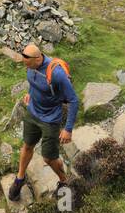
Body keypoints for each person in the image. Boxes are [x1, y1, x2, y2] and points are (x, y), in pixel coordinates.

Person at [7, 41, 78, 201]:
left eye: (27, 63)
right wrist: (30, 94)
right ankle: (20, 179)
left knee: (49, 157)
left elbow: (73, 100)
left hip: (51, 119)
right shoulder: (31, 65)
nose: (26, 66)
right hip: (33, 114)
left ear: (38, 60)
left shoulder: (57, 73)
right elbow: (33, 81)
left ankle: (64, 181)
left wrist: (68, 129)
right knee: (27, 146)